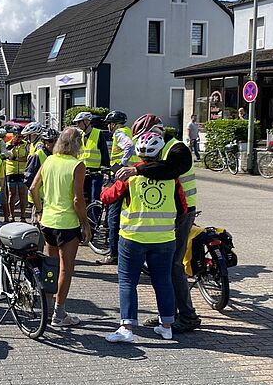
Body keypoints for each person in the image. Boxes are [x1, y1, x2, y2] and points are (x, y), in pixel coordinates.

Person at [118, 113, 198, 333]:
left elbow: (169, 171)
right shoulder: (158, 149)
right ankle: (167, 316)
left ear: (157, 131)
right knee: (160, 268)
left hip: (182, 213)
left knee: (173, 265)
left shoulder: (178, 149)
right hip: (166, 213)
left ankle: (188, 317)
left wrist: (136, 170)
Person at [106, 131, 187, 344]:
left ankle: (126, 328)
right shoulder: (172, 179)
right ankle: (166, 326)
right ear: (160, 153)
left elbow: (107, 197)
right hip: (164, 239)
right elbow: (183, 207)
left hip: (133, 237)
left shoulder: (130, 177)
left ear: (139, 155)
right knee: (163, 281)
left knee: (127, 282)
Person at [30, 127, 90, 328]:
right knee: (66, 268)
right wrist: (85, 224)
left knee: (51, 265)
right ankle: (59, 312)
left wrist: (39, 210)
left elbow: (33, 188)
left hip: (48, 221)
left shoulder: (49, 160)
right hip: (67, 223)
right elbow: (77, 199)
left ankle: (46, 308)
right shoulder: (77, 165)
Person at [102, 111, 138, 265]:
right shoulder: (130, 131)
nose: (108, 127)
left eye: (109, 124)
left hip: (122, 177)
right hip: (132, 177)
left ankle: (113, 253)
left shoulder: (119, 132)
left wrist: (122, 165)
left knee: (113, 214)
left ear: (114, 124)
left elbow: (129, 147)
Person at [72, 111, 108, 203]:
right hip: (82, 172)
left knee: (94, 198)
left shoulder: (98, 134)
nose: (77, 125)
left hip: (95, 173)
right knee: (83, 198)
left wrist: (104, 168)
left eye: (79, 122)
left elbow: (104, 153)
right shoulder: (79, 136)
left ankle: (94, 217)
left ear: (87, 122)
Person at [2, 124, 29, 222]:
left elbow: (27, 158)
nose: (20, 138)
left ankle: (23, 216)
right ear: (13, 135)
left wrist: (16, 158)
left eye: (21, 136)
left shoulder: (26, 144)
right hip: (11, 171)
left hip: (22, 171)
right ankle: (11, 216)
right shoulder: (8, 144)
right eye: (17, 136)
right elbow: (6, 156)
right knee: (11, 194)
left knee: (22, 194)